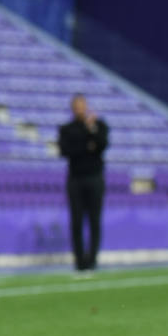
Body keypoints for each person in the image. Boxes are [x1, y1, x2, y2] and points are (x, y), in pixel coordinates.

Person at [58, 94, 109, 271]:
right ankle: (79, 261)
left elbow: (102, 145)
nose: (80, 109)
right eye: (77, 106)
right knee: (77, 221)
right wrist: (87, 145)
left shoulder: (98, 126)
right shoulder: (67, 129)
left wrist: (90, 132)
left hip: (95, 178)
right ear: (72, 108)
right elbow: (66, 150)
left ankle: (92, 259)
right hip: (76, 179)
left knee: (95, 220)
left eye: (82, 105)